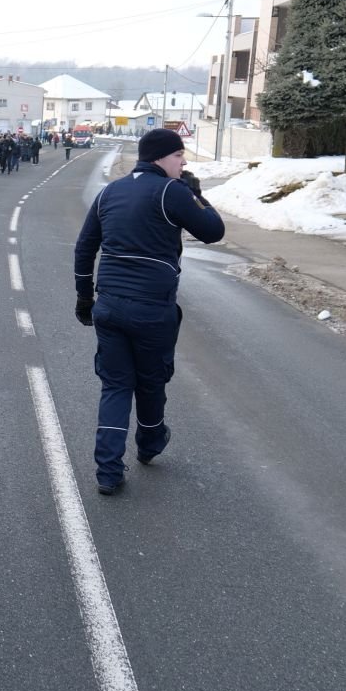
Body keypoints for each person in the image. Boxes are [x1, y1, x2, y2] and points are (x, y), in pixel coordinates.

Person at [73, 129, 225, 495]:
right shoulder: (172, 192)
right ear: (160, 157)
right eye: (179, 156)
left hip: (108, 305)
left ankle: (108, 471)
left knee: (115, 385)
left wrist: (84, 298)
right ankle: (150, 442)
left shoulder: (109, 191)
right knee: (151, 380)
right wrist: (196, 193)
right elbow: (213, 232)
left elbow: (84, 248)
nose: (184, 162)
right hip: (151, 308)